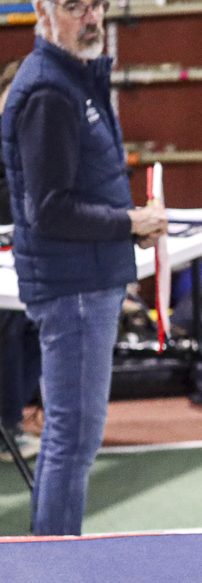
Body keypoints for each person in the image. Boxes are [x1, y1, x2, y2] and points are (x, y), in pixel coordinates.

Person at [1, 0, 167, 534]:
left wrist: (128, 226)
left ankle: (55, 557)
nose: (91, 16)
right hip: (72, 288)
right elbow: (49, 210)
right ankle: (55, 564)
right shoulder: (49, 92)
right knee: (71, 440)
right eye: (75, 6)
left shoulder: (77, 77)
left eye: (97, 4)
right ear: (44, 11)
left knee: (73, 438)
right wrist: (130, 222)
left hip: (86, 279)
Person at [0, 58, 42, 464]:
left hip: (20, 255)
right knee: (8, 321)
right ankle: (7, 426)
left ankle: (7, 420)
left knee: (42, 320)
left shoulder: (32, 139)